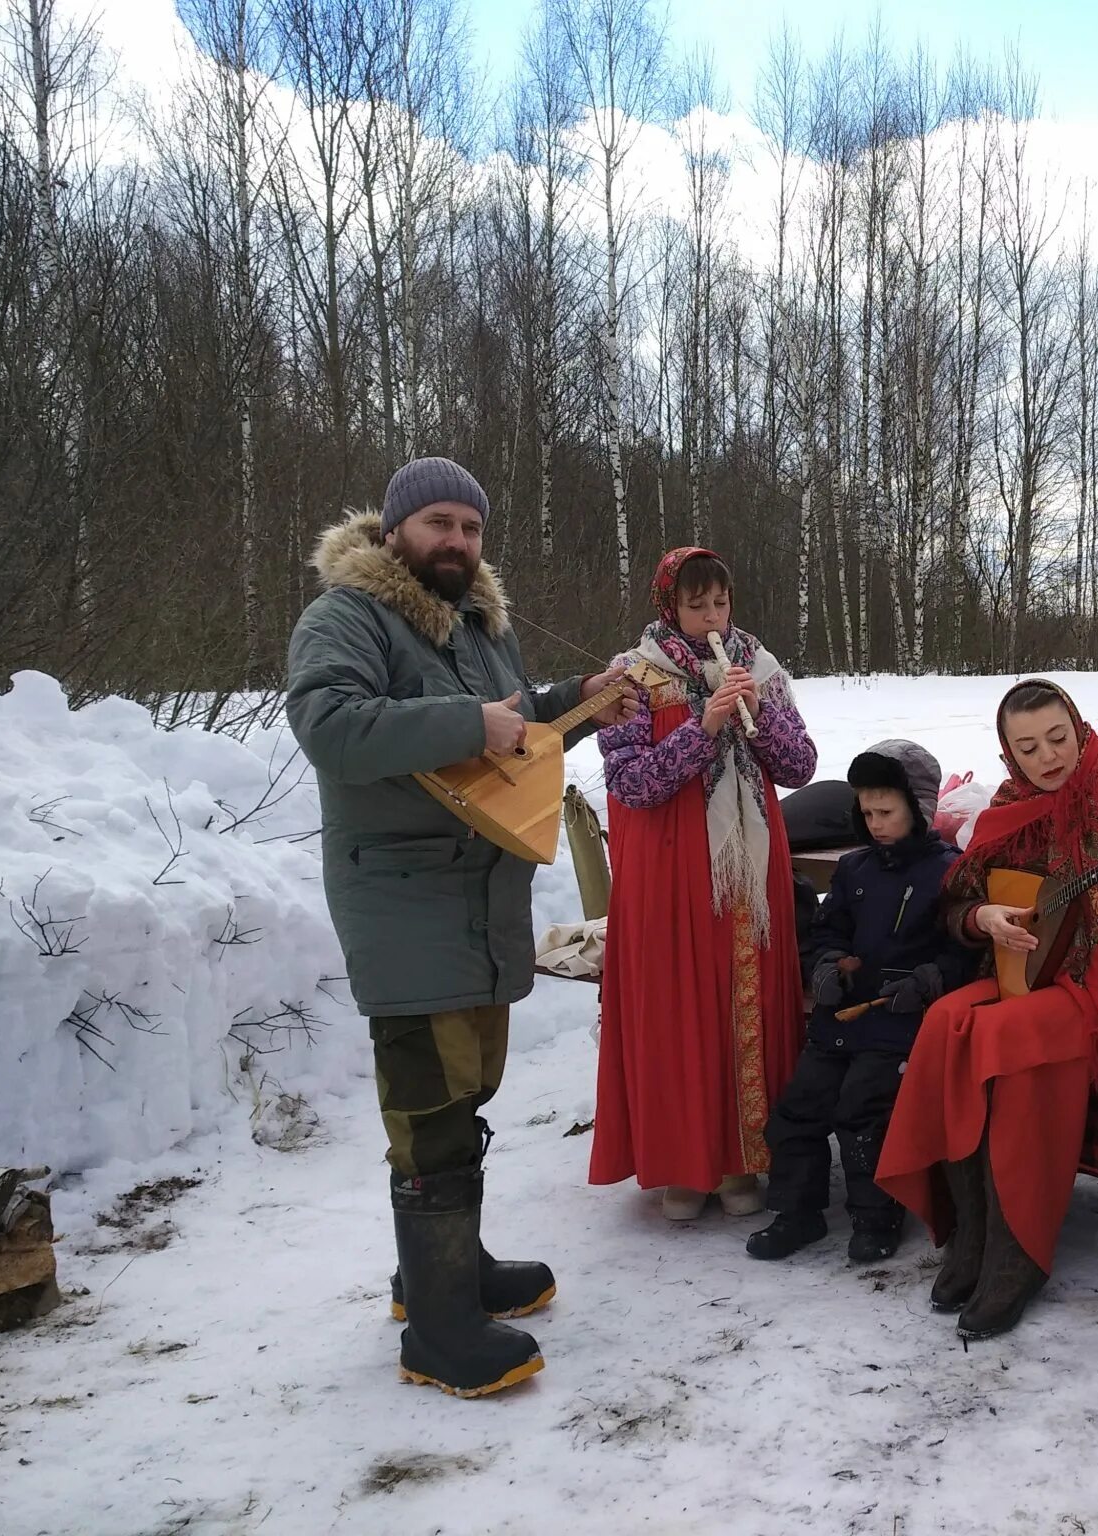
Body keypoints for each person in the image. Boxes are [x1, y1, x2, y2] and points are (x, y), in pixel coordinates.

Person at [286, 456, 639, 1398]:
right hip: (404, 901)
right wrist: (463, 724)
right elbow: (333, 726)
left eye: (471, 527)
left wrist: (586, 699)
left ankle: (443, 1275)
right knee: (428, 1106)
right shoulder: (347, 617)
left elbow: (510, 727)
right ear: (397, 528)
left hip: (481, 904)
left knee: (465, 1094)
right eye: (439, 522)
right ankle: (439, 1334)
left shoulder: (481, 626)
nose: (456, 541)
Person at [875, 680, 1098, 1340]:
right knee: (946, 1022)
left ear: (1079, 728)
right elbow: (959, 905)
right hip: (1028, 970)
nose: (1048, 757)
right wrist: (983, 916)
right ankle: (972, 1231)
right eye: (1028, 748)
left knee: (1003, 1037)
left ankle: (1017, 1253)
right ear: (1009, 755)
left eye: (1058, 738)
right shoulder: (1010, 806)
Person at [588, 547, 817, 1220]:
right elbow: (631, 784)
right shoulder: (631, 678)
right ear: (669, 606)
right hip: (667, 870)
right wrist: (704, 726)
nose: (711, 616)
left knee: (742, 1001)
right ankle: (682, 1166)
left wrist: (757, 711)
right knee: (678, 1009)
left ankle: (744, 1160)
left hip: (747, 872)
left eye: (720, 601)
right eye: (696, 604)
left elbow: (800, 765)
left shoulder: (759, 667)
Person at [747, 740, 974, 1265]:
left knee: (862, 1112)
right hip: (841, 1019)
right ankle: (796, 1213)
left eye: (886, 812)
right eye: (866, 811)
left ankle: (875, 1218)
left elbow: (964, 951)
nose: (874, 823)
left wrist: (930, 979)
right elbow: (828, 931)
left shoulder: (948, 871)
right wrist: (826, 966)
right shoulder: (854, 870)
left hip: (899, 1022)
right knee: (799, 1108)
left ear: (918, 809)